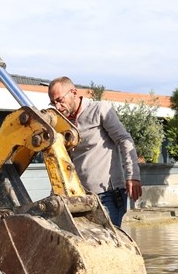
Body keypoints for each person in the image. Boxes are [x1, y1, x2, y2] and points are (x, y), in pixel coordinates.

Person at [46, 77, 142, 228]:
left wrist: (133, 176)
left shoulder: (99, 110)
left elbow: (124, 140)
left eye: (60, 100)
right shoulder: (61, 123)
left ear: (74, 92)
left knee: (110, 245)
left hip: (107, 195)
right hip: (77, 198)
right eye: (53, 103)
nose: (57, 107)